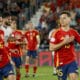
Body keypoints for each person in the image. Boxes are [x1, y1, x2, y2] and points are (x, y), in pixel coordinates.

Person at [49, 11, 80, 80]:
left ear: (69, 19)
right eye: (60, 19)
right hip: (60, 62)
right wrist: (64, 42)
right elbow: (51, 48)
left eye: (64, 18)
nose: (61, 20)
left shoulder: (73, 32)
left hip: (72, 60)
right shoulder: (56, 33)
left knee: (74, 77)